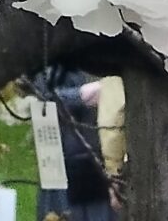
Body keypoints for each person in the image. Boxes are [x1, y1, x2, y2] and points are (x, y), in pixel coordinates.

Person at [27, 66, 116, 221]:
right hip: (63, 163)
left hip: (105, 161)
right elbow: (42, 98)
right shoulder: (56, 57)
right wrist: (80, 96)